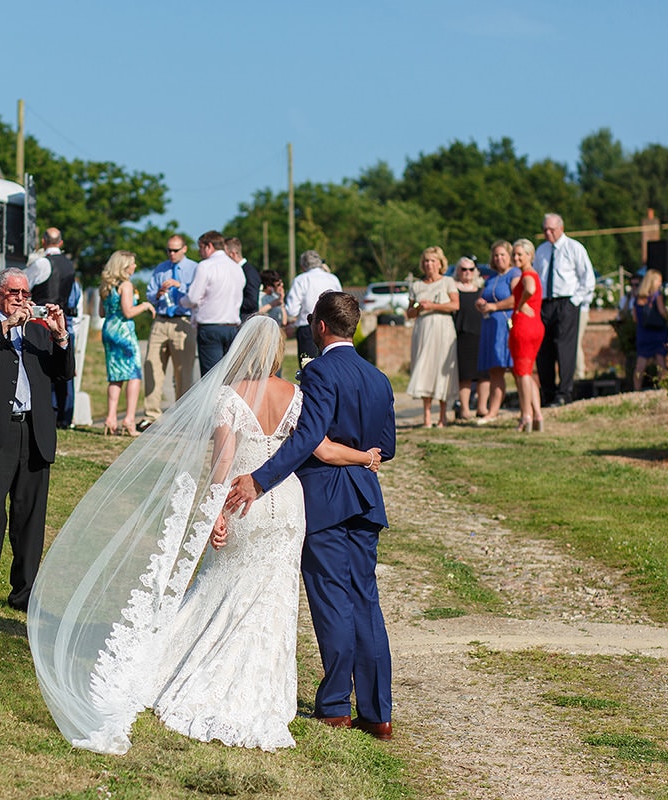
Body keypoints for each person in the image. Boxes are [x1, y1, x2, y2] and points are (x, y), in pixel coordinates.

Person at [27, 315, 384, 754]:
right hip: (290, 507)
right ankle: (267, 693)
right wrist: (364, 456)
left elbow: (222, 463)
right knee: (274, 598)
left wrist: (214, 511)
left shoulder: (230, 397)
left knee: (225, 585)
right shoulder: (297, 396)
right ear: (276, 354)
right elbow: (322, 448)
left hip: (242, 500)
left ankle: (202, 668)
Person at [226, 293, 396, 741]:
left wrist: (260, 480)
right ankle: (379, 713)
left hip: (325, 498)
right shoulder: (378, 378)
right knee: (366, 600)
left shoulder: (319, 371)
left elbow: (307, 439)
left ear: (320, 326)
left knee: (331, 601)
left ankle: (337, 705)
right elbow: (388, 447)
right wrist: (365, 455)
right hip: (365, 496)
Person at [0, 268, 73, 614]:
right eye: (13, 293)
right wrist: (3, 327)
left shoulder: (37, 331)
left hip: (34, 431)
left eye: (25, 293)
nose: (21, 299)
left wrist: (61, 337)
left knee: (31, 515)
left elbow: (62, 374)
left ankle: (25, 593)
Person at [534, 213, 594, 406]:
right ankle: (548, 392)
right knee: (544, 348)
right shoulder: (541, 251)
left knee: (565, 347)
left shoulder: (574, 248)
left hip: (566, 301)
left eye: (551, 229)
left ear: (561, 228)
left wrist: (574, 301)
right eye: (545, 230)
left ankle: (564, 392)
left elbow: (587, 278)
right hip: (545, 303)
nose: (548, 233)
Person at [141, 234, 198, 430]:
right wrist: (157, 295)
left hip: (183, 321)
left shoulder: (195, 268)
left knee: (183, 372)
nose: (171, 254)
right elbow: (150, 293)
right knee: (152, 366)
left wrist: (179, 285)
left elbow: (199, 293)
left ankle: (183, 418)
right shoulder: (161, 268)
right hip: (161, 320)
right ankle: (151, 415)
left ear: (184, 249)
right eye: (169, 250)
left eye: (175, 250)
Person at [99, 251, 155, 436]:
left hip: (109, 330)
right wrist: (145, 306)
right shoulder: (126, 285)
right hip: (123, 332)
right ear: (124, 266)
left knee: (115, 376)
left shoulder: (106, 285)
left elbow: (101, 312)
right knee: (133, 374)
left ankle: (111, 418)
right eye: (132, 263)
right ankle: (129, 419)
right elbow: (128, 312)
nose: (135, 267)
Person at [27, 228, 77, 429]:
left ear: (43, 241)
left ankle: (43, 410)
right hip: (61, 320)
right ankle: (63, 416)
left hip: (40, 320)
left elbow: (24, 286)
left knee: (40, 367)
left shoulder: (41, 263)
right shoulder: (69, 266)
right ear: (61, 243)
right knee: (62, 366)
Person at [406, 246, 459, 428]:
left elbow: (454, 305)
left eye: (433, 261)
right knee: (425, 368)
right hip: (423, 329)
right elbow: (409, 313)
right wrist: (419, 308)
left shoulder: (448, 282)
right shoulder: (417, 286)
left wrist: (433, 306)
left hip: (442, 329)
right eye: (426, 261)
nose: (429, 264)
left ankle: (443, 416)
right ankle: (427, 416)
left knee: (441, 370)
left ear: (440, 263)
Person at [182, 230, 245, 375]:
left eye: (200, 248)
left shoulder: (205, 266)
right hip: (232, 326)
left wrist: (181, 300)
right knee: (229, 375)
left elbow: (192, 298)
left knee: (212, 377)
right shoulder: (236, 268)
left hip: (210, 326)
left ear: (208, 246)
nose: (200, 252)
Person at [475, 241, 520, 423]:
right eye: (496, 255)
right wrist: (480, 304)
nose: (499, 258)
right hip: (491, 327)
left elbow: (516, 298)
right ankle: (493, 411)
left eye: (502, 255)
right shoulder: (492, 278)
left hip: (507, 326)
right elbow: (483, 297)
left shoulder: (515, 274)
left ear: (509, 256)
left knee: (517, 369)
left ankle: (527, 408)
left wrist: (494, 306)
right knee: (495, 371)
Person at [510, 239, 545, 432]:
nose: (516, 257)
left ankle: (526, 415)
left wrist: (522, 303)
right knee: (528, 372)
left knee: (522, 373)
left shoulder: (527, 275)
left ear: (530, 256)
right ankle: (537, 414)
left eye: (520, 254)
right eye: (514, 254)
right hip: (536, 326)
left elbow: (529, 288)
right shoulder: (533, 274)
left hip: (524, 325)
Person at [452, 257, 485, 420]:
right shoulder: (453, 289)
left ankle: (482, 407)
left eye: (471, 269)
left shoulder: (481, 289)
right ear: (458, 271)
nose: (467, 273)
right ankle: (464, 408)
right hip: (462, 334)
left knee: (484, 374)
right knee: (465, 374)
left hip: (480, 333)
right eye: (464, 269)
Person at [632, 268, 668, 390]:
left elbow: (635, 318)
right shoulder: (656, 296)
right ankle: (662, 387)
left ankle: (636, 389)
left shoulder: (638, 297)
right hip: (657, 333)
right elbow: (662, 312)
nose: (660, 283)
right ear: (653, 281)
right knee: (660, 361)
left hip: (643, 333)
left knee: (641, 363)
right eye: (659, 281)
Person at [225, 237, 261, 322]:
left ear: (232, 254)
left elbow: (251, 302)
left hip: (245, 321)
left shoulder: (249, 272)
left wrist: (228, 300)